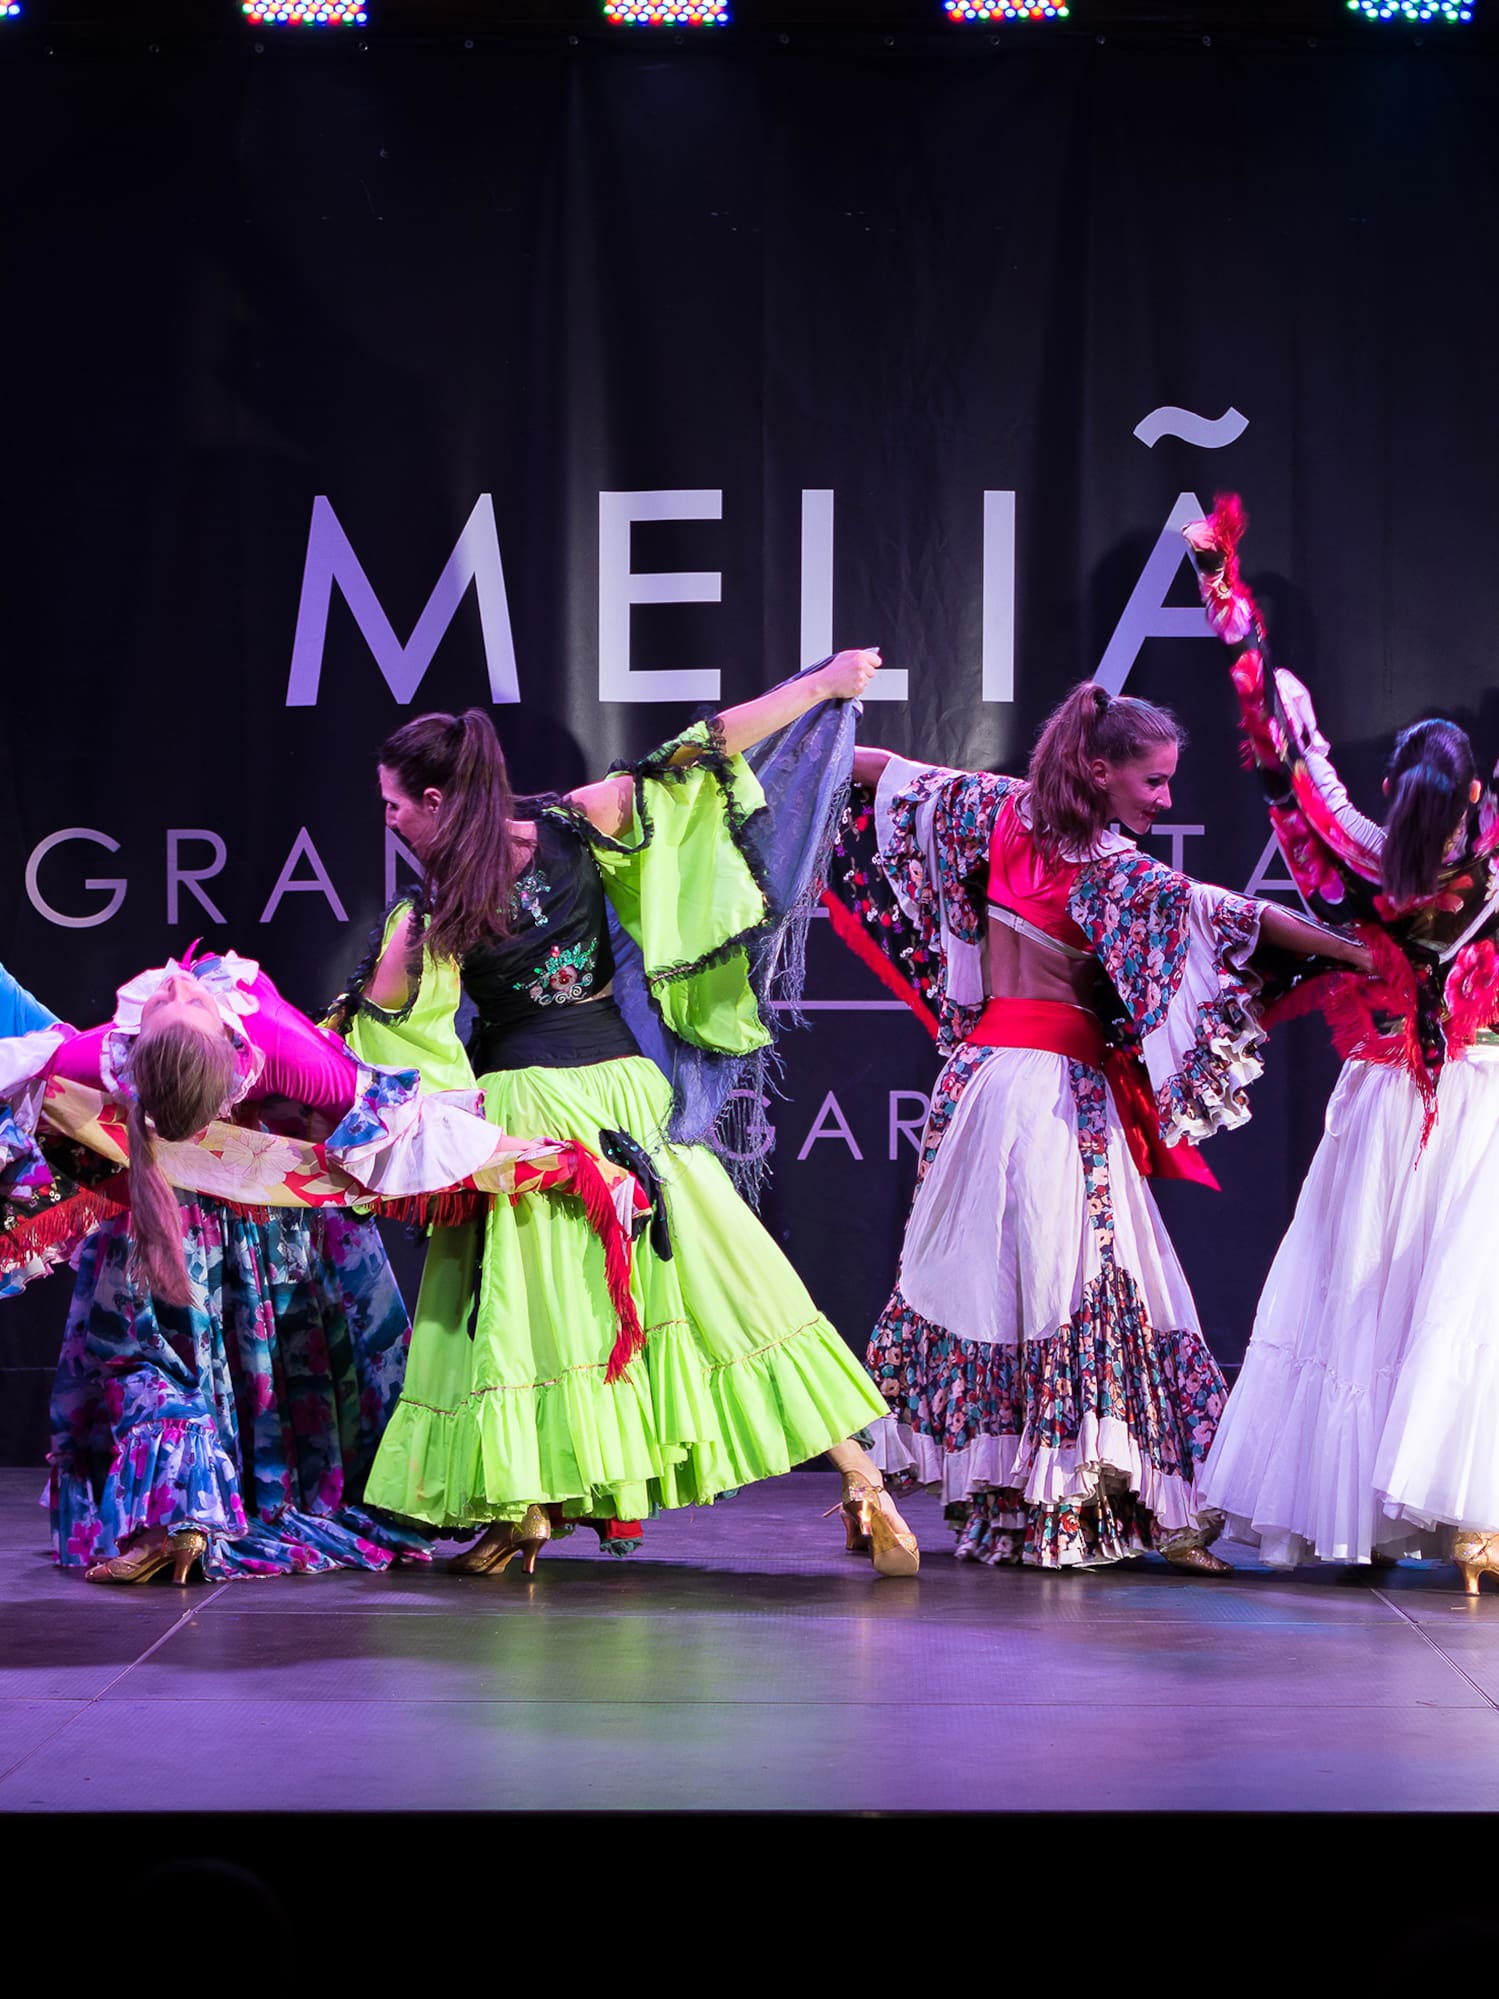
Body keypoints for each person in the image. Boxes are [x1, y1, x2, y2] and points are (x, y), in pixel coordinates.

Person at [340, 650, 921, 1577]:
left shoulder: (430, 915)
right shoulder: (574, 822)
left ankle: (525, 1509)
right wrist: (820, 685)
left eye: (397, 803)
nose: (391, 820)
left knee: (533, 1317)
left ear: (441, 800)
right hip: (623, 1090)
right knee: (723, 1280)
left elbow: (390, 1057)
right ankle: (862, 1477)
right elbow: (701, 750)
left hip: (528, 1112)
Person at [831, 685, 1369, 1571]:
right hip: (1048, 1095)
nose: (1163, 799)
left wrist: (762, 766)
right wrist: (1354, 950)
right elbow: (1228, 915)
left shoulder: (992, 807)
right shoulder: (1108, 866)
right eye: (1152, 781)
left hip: (973, 1085)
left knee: (977, 1285)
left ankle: (918, 1488)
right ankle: (1106, 1506)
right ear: (1098, 768)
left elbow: (886, 775)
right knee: (1084, 1286)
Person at [0, 947, 586, 1584]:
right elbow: (396, 1119)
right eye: (178, 1000)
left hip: (236, 1210)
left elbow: (396, 1121)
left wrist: (522, 1155)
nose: (175, 981)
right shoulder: (210, 1041)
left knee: (156, 1355)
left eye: (186, 997)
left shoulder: (212, 1042)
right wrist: (521, 1155)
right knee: (155, 1359)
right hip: (196, 1214)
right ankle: (186, 1523)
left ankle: (180, 1522)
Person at [1184, 495, 1499, 1593]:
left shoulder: (1350, 858)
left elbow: (1273, 749)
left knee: (1354, 1297)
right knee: (1459, 1298)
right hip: (1471, 1097)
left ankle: (1352, 1518)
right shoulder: (1491, 871)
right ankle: (1473, 1525)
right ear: (1473, 794)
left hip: (1379, 1104)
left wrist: (1225, 593)